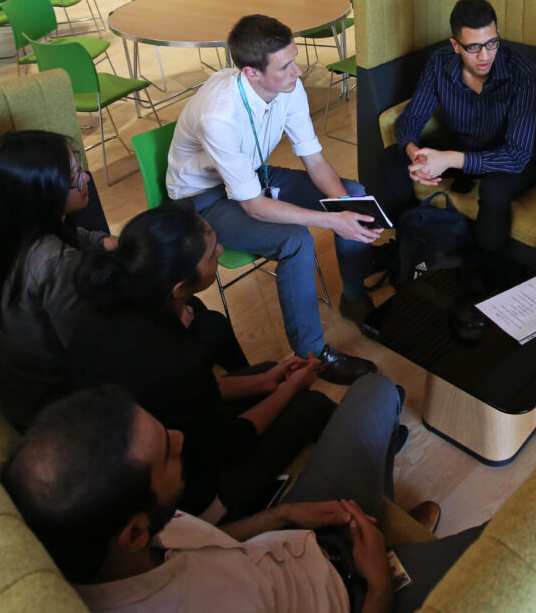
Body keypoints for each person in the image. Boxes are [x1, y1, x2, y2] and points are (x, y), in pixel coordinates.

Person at [3, 381, 478, 613]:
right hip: (353, 596)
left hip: (297, 540)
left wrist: (290, 513)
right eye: (167, 453)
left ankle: (383, 521)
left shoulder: (115, 538)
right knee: (505, 544)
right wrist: (376, 585)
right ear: (132, 532)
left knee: (376, 390)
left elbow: (212, 542)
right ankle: (393, 553)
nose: (180, 438)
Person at [69, 200, 336, 518]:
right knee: (313, 404)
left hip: (132, 455)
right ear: (180, 288)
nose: (221, 251)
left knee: (267, 372)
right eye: (212, 254)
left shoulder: (104, 310)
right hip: (180, 503)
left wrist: (266, 381)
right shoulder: (175, 357)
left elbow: (183, 399)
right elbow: (230, 442)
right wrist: (287, 390)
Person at [165, 14, 380, 383]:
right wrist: (331, 220)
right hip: (203, 200)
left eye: (295, 59)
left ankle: (354, 297)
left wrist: (346, 206)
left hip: (252, 176)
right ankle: (314, 355)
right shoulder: (219, 115)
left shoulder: (288, 86)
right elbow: (252, 206)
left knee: (354, 194)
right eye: (285, 66)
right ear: (251, 73)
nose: (298, 71)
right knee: (296, 241)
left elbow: (313, 159)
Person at [380, 0, 536, 265]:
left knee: (494, 189)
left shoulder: (522, 72)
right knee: (390, 161)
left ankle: (482, 276)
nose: (485, 56)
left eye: (492, 43)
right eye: (473, 47)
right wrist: (416, 155)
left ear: (498, 34)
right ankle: (411, 243)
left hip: (513, 156)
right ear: (455, 45)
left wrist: (449, 160)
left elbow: (517, 156)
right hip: (464, 145)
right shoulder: (440, 62)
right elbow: (410, 120)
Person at [0, 130, 117, 430]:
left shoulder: (13, 232)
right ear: (43, 190)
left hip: (20, 395)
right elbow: (92, 349)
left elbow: (78, 237)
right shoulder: (55, 262)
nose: (87, 179)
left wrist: (110, 243)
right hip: (54, 411)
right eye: (74, 175)